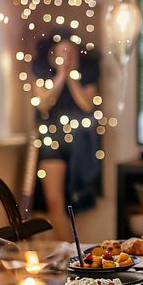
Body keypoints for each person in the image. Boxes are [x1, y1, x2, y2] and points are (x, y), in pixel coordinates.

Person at [32, 28, 101, 241]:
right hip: (52, 138)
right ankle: (67, 251)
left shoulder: (87, 74)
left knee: (74, 199)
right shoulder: (43, 73)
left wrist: (71, 76)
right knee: (54, 201)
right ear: (53, 55)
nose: (66, 56)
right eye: (62, 52)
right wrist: (61, 75)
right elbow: (43, 103)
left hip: (80, 140)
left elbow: (87, 104)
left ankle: (71, 252)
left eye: (70, 52)